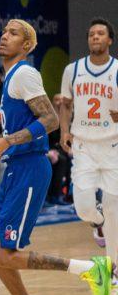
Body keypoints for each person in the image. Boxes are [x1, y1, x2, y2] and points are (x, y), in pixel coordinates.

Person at [0, 20, 113, 295]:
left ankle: (89, 268)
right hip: (16, 168)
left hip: (30, 170)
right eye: (4, 31)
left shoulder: (25, 74)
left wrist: (8, 141)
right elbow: (6, 142)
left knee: (5, 253)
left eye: (13, 33)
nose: (4, 36)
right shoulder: (10, 78)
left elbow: (51, 120)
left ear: (27, 45)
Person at [58, 18, 118, 253]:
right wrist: (64, 131)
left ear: (109, 40)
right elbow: (65, 104)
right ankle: (97, 219)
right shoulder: (72, 70)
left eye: (100, 33)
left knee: (114, 209)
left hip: (113, 146)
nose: (95, 37)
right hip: (83, 146)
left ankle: (115, 269)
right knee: (83, 208)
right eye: (92, 33)